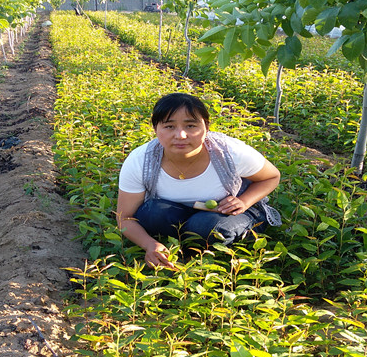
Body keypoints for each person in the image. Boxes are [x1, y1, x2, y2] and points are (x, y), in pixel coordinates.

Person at [116, 93, 282, 269]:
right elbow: (124, 218)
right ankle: (188, 239)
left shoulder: (229, 153)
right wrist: (150, 245)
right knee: (152, 213)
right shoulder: (140, 161)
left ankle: (200, 243)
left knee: (207, 226)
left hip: (225, 213)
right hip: (176, 211)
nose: (180, 135)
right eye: (169, 126)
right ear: (155, 129)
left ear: (206, 127)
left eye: (190, 125)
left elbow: (272, 176)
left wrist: (244, 201)